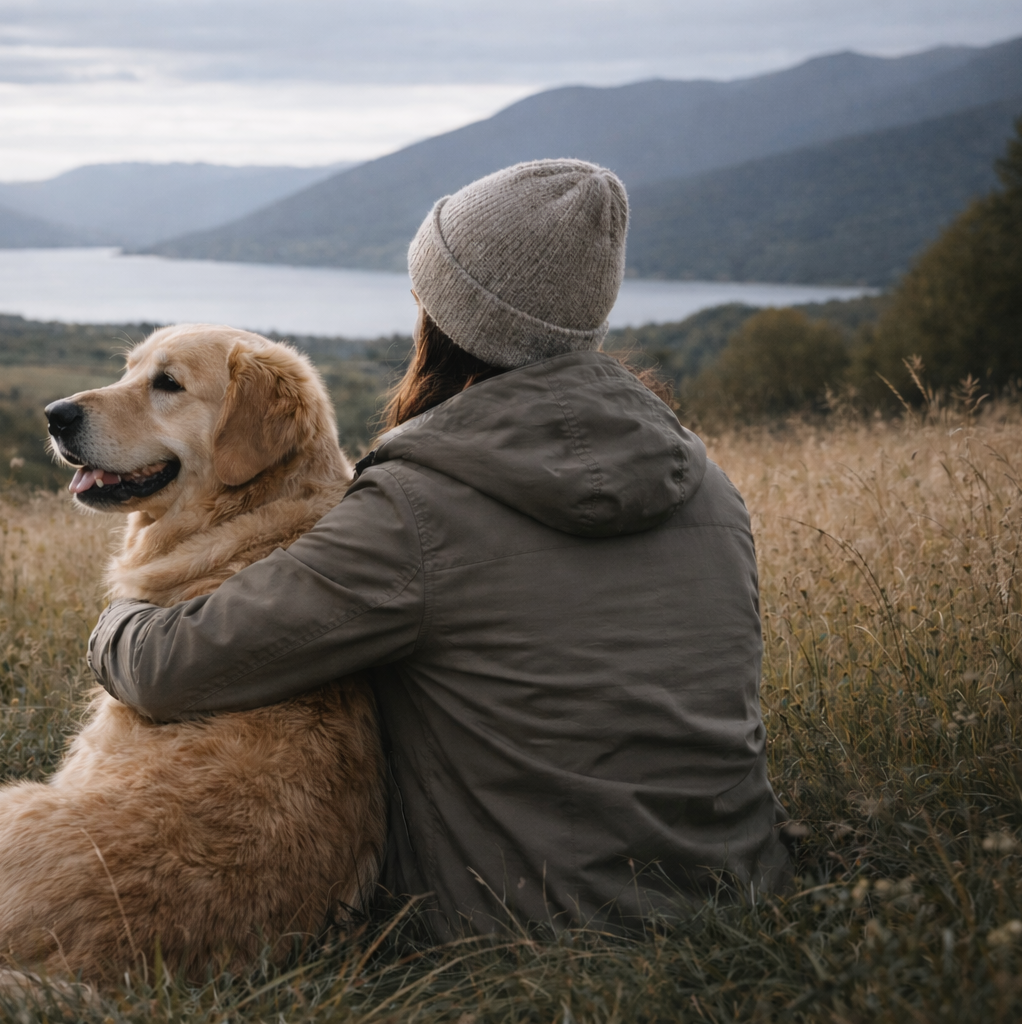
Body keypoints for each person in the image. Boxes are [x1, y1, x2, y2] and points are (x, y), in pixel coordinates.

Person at [87, 158, 791, 942]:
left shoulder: (418, 510)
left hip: (537, 928)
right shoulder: (708, 483)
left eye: (422, 293)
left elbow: (164, 670)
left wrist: (127, 613)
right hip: (744, 897)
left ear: (445, 318)